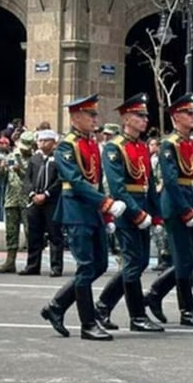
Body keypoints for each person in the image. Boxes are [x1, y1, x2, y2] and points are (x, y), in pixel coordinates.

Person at [39, 95, 129, 341]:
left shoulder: (90, 143)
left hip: (93, 211)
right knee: (87, 266)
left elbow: (96, 180)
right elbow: (77, 182)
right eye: (90, 115)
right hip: (77, 210)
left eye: (94, 114)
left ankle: (56, 307)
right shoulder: (67, 145)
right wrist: (107, 203)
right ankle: (88, 324)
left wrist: (105, 214)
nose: (95, 119)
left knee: (99, 264)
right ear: (76, 117)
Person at [93, 94, 165, 333]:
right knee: (134, 263)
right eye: (139, 115)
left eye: (145, 115)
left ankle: (104, 307)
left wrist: (155, 214)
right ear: (126, 118)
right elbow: (117, 187)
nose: (144, 120)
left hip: (142, 206)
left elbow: (149, 182)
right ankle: (134, 315)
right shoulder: (115, 147)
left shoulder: (141, 146)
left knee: (139, 262)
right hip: (127, 211)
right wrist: (137, 214)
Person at [144, 94, 193, 326]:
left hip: (190, 202)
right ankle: (185, 309)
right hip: (176, 205)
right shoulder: (170, 144)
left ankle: (155, 294)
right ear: (176, 117)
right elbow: (170, 180)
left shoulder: (191, 143)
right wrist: (186, 211)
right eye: (189, 113)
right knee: (183, 259)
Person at [19, 129, 63, 276]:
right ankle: (32, 265)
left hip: (51, 200)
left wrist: (46, 194)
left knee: (54, 233)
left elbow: (60, 180)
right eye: (40, 141)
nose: (42, 143)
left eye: (45, 141)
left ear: (53, 143)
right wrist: (32, 194)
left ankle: (56, 266)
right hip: (34, 200)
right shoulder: (34, 159)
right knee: (34, 233)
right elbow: (27, 179)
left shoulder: (58, 158)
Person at [0, 131, 33, 273]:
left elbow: (32, 178)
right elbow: (4, 177)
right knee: (11, 231)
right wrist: (1, 170)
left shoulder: (33, 159)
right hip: (11, 199)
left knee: (30, 231)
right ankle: (10, 261)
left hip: (27, 199)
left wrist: (20, 170)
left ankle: (32, 262)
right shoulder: (12, 157)